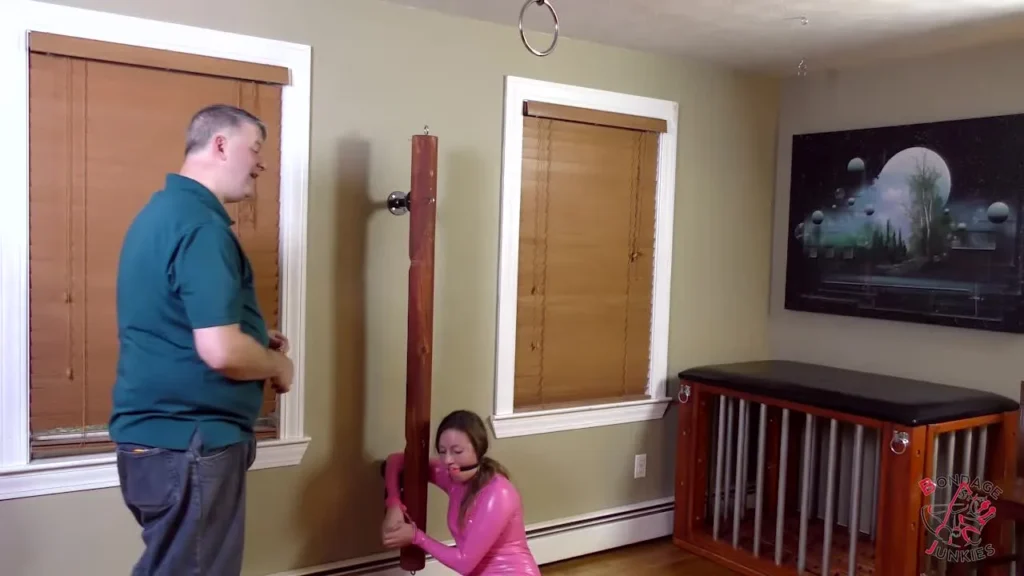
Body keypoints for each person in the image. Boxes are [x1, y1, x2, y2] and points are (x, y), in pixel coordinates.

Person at [109, 104, 294, 576]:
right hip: (191, 442)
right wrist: (277, 365)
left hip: (158, 441)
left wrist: (255, 335)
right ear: (221, 145)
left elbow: (171, 318)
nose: (261, 163)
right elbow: (221, 350)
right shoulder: (202, 228)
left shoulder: (160, 215)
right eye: (256, 148)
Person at [381, 410, 541, 575]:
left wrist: (416, 537)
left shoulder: (498, 492)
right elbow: (397, 460)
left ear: (478, 450)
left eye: (457, 451)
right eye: (442, 451)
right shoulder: (451, 477)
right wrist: (394, 504)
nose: (448, 460)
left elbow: (464, 562)